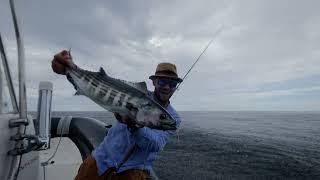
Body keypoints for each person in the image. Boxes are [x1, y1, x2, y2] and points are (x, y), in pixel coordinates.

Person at [51, 50, 182, 180]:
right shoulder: (136, 92)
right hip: (100, 160)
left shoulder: (173, 118)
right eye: (162, 82)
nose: (166, 87)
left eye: (172, 84)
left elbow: (155, 144)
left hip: (133, 172)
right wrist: (69, 71)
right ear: (154, 82)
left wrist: (135, 127)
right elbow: (99, 88)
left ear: (175, 87)